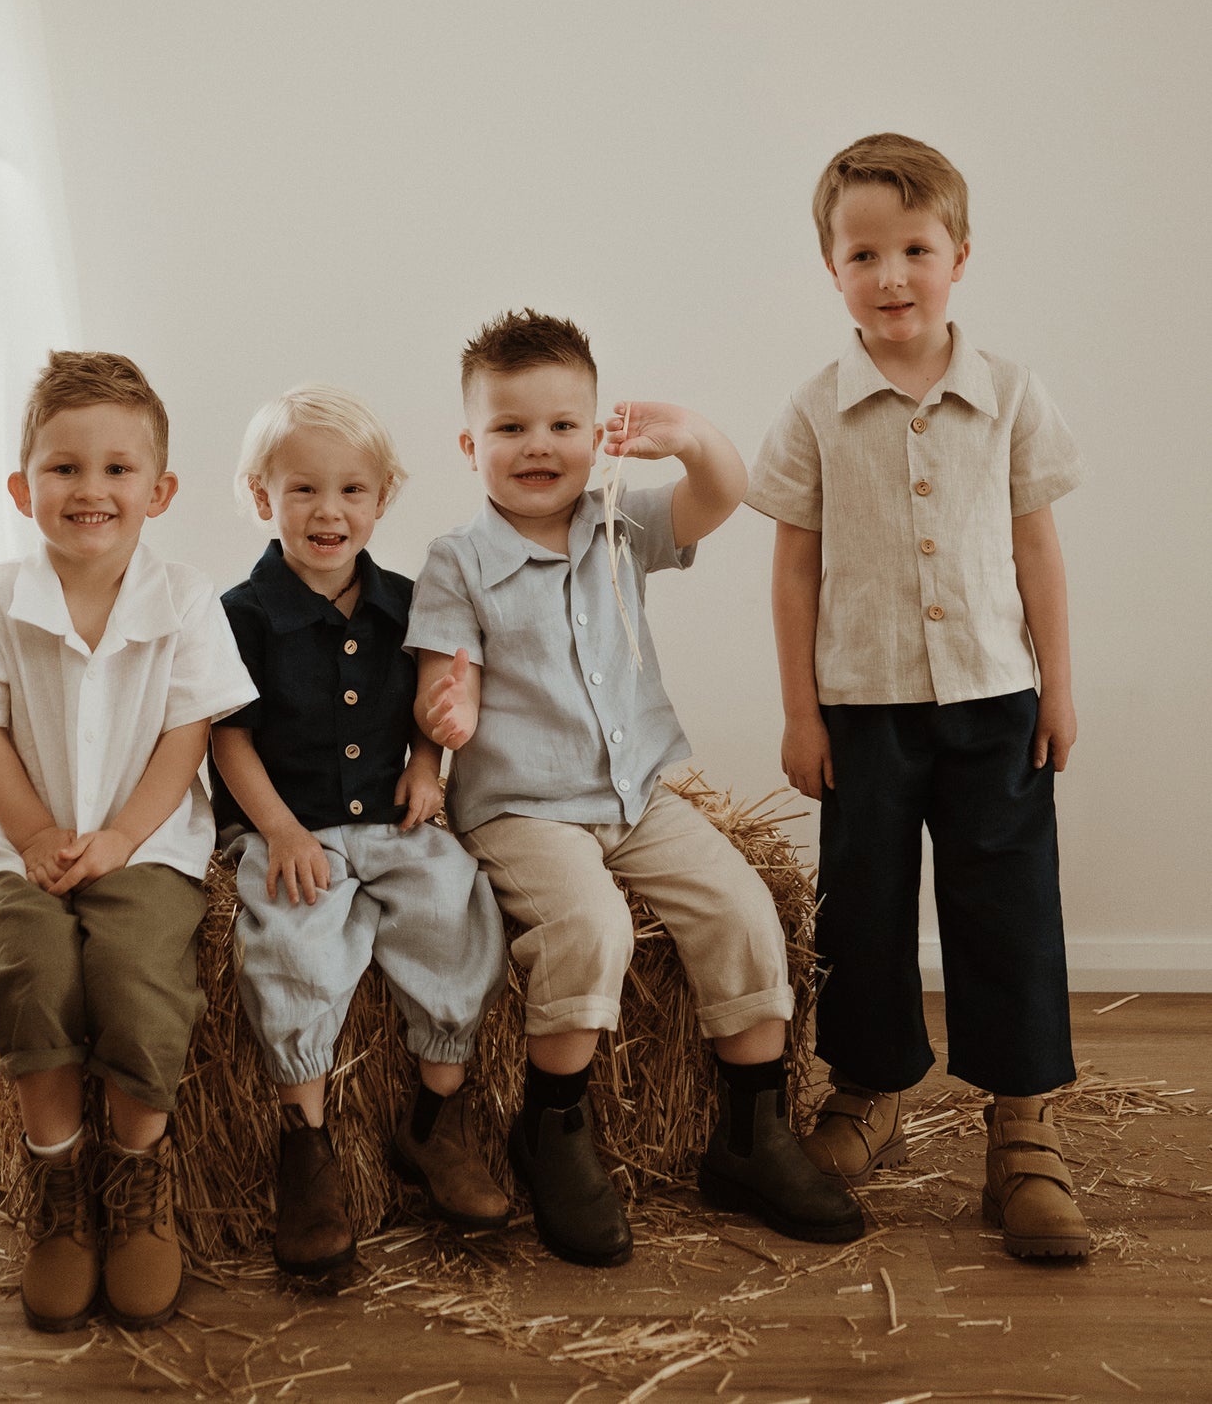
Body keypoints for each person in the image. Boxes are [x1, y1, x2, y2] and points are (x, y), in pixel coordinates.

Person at [405, 309, 862, 1269]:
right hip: (526, 807)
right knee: (591, 928)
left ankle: (749, 1134)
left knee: (742, 908)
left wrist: (691, 438)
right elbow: (446, 673)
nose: (539, 446)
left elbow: (724, 496)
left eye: (563, 425)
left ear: (597, 430)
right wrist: (449, 708)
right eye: (510, 428)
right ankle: (553, 1130)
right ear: (468, 444)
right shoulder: (458, 560)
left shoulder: (622, 520)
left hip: (638, 792)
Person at [745, 133, 1089, 1259]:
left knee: (1006, 904)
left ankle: (1021, 1120)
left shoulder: (1008, 395)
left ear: (958, 255)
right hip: (862, 703)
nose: (890, 274)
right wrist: (799, 709)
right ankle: (866, 1086)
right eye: (862, 253)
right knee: (863, 900)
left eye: (913, 248)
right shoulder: (812, 411)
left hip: (993, 695)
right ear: (829, 267)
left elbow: (1035, 549)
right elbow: (792, 566)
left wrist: (1056, 688)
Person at [0, 351, 256, 1330]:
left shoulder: (185, 598)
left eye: (116, 469)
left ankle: (140, 1179)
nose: (91, 489)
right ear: (24, 487)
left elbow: (186, 733)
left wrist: (117, 836)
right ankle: (60, 1188)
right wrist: (31, 833)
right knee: (23, 967)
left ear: (159, 489)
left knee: (140, 979)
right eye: (65, 468)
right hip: (26, 841)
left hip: (143, 843)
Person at [209, 385, 509, 1277]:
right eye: (302, 489)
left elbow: (429, 702)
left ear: (383, 498)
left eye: (351, 490)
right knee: (294, 941)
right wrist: (279, 832)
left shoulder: (407, 602)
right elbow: (227, 738)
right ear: (263, 496)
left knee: (455, 908)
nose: (327, 510)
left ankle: (433, 1119)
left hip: (390, 818)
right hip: (290, 826)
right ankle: (305, 1143)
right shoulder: (244, 613)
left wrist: (427, 765)